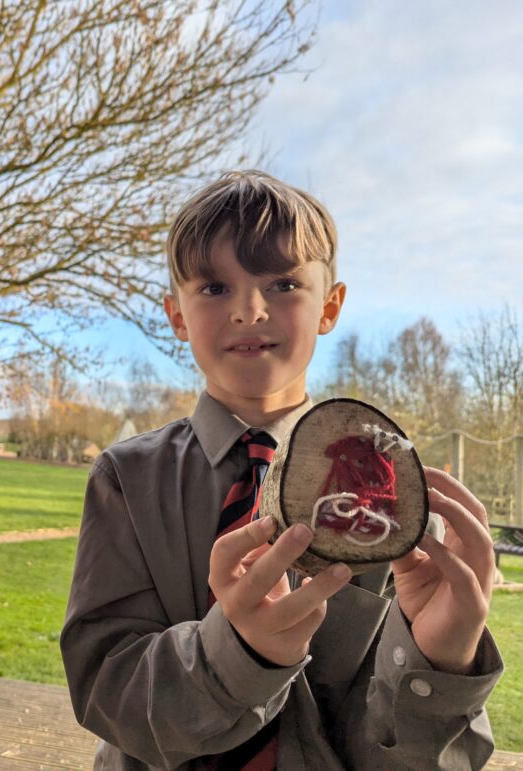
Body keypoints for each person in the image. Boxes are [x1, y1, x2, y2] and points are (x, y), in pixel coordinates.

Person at [60, 170, 502, 770]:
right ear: (176, 316)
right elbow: (105, 689)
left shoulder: (381, 497)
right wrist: (237, 656)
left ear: (330, 306)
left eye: (284, 283)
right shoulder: (126, 479)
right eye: (215, 288)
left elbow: (386, 756)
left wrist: (436, 662)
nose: (249, 310)